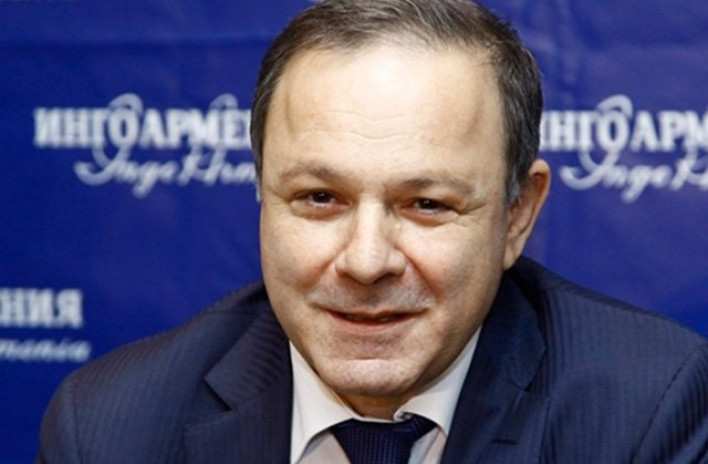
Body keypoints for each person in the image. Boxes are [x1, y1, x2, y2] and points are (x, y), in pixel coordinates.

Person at [36, 1, 708, 463]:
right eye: (320, 198)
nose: (365, 261)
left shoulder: (645, 411)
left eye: (426, 204)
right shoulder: (109, 429)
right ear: (262, 192)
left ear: (517, 216)